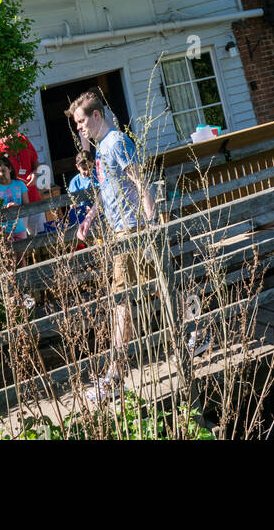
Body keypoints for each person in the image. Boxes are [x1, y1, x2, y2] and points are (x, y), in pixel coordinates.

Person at [68, 89, 207, 403]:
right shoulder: (102, 148)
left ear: (96, 115)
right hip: (123, 231)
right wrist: (89, 217)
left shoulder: (117, 142)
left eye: (81, 121)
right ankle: (197, 333)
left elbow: (140, 181)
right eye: (76, 123)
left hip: (134, 231)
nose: (79, 128)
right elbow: (107, 189)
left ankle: (114, 378)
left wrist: (151, 224)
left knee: (121, 302)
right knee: (160, 285)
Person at [0, 122, 41, 236]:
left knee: (41, 237)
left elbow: (36, 164)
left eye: (14, 130)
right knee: (20, 244)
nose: (12, 135)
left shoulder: (23, 140)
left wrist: (35, 173)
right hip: (13, 205)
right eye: (8, 131)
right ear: (0, 131)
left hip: (32, 197)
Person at [0, 153, 29, 239]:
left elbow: (27, 205)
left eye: (3, 171)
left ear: (10, 169)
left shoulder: (20, 184)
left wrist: (16, 206)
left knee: (22, 251)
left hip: (20, 227)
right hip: (3, 230)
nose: (0, 174)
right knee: (8, 252)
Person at [67, 150, 95, 226]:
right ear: (78, 167)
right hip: (83, 216)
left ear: (93, 162)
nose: (87, 171)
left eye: (89, 167)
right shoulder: (75, 182)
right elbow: (73, 205)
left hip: (100, 211)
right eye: (84, 169)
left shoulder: (98, 175)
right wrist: (82, 209)